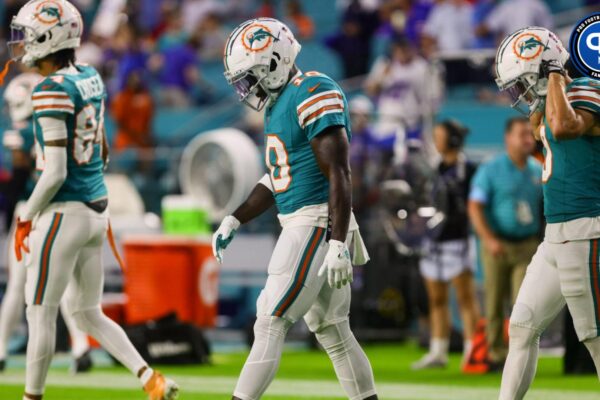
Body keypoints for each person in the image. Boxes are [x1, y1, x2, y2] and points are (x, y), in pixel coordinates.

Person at [6, 1, 178, 399]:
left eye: (29, 33)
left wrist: (26, 216)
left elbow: (55, 172)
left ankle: (32, 396)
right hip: (95, 212)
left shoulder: (50, 90)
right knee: (86, 311)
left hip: (63, 212)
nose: (23, 41)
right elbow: (100, 148)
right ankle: (150, 379)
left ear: (49, 38)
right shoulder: (90, 77)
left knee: (40, 311)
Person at [215, 18, 377, 400]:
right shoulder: (279, 102)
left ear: (274, 62)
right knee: (333, 332)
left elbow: (339, 172)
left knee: (270, 318)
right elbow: (277, 176)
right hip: (308, 220)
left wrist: (337, 241)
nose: (246, 88)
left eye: (250, 75)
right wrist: (235, 217)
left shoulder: (313, 90)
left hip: (317, 221)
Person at [495, 27, 600, 399]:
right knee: (522, 326)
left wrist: (555, 72)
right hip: (556, 235)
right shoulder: (553, 99)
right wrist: (547, 85)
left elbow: (563, 126)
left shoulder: (587, 86)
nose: (522, 92)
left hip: (586, 230)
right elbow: (539, 126)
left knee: (594, 337)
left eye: (524, 80)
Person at [0, 72, 94, 374]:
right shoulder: (58, 124)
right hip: (60, 207)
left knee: (18, 285)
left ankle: (0, 347)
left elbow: (18, 174)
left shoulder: (23, 131)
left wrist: (9, 214)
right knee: (62, 283)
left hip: (30, 208)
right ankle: (80, 347)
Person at [468, 116, 542, 370]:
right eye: (521, 134)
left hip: (527, 245)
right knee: (494, 301)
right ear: (507, 138)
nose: (527, 139)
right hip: (497, 245)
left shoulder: (537, 168)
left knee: (523, 303)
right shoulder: (491, 169)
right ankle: (496, 355)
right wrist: (488, 239)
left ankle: (519, 354)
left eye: (529, 134)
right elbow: (475, 206)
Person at [412, 120, 480, 370]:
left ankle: (472, 349)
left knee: (465, 298)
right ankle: (438, 351)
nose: (436, 141)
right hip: (434, 241)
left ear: (452, 140)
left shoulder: (468, 170)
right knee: (436, 298)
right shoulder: (434, 169)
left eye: (439, 136)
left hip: (458, 239)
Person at [365, 35, 438, 143]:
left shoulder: (421, 67)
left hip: (410, 121)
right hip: (385, 119)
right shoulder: (385, 63)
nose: (402, 53)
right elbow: (370, 90)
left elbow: (430, 97)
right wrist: (382, 77)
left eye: (405, 49)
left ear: (412, 49)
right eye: (398, 49)